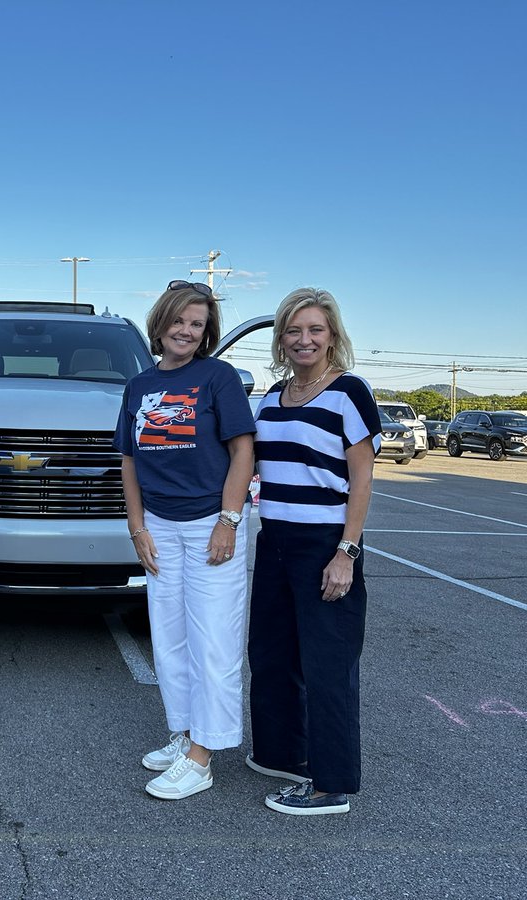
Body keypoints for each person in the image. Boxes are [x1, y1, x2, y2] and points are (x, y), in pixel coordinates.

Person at [115, 281, 256, 801]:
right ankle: (184, 735)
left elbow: (244, 451)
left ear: (206, 331)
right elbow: (129, 461)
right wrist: (138, 528)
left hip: (208, 525)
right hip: (160, 527)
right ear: (161, 323)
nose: (186, 331)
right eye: (179, 321)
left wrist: (229, 519)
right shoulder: (139, 386)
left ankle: (204, 756)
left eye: (197, 324)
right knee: (169, 640)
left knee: (213, 641)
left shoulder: (217, 378)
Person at [246, 287, 380, 816]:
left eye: (315, 330)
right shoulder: (270, 399)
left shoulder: (349, 392)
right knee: (272, 655)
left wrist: (347, 552)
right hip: (274, 541)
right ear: (281, 338)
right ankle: (284, 754)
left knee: (328, 665)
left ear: (332, 338)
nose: (304, 339)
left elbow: (363, 479)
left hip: (326, 543)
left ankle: (331, 785)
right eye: (294, 330)